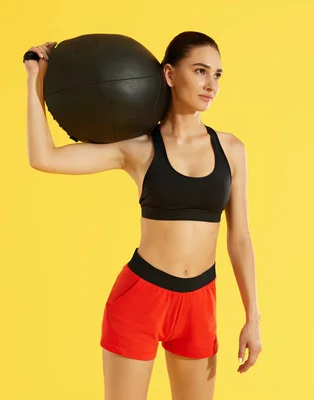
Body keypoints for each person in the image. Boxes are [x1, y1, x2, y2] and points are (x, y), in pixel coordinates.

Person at [24, 31, 262, 400]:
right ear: (169, 74)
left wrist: (253, 317)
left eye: (217, 75)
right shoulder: (138, 148)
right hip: (141, 299)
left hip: (200, 303)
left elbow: (240, 237)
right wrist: (34, 81)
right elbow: (45, 158)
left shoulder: (231, 149)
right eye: (200, 71)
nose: (210, 84)